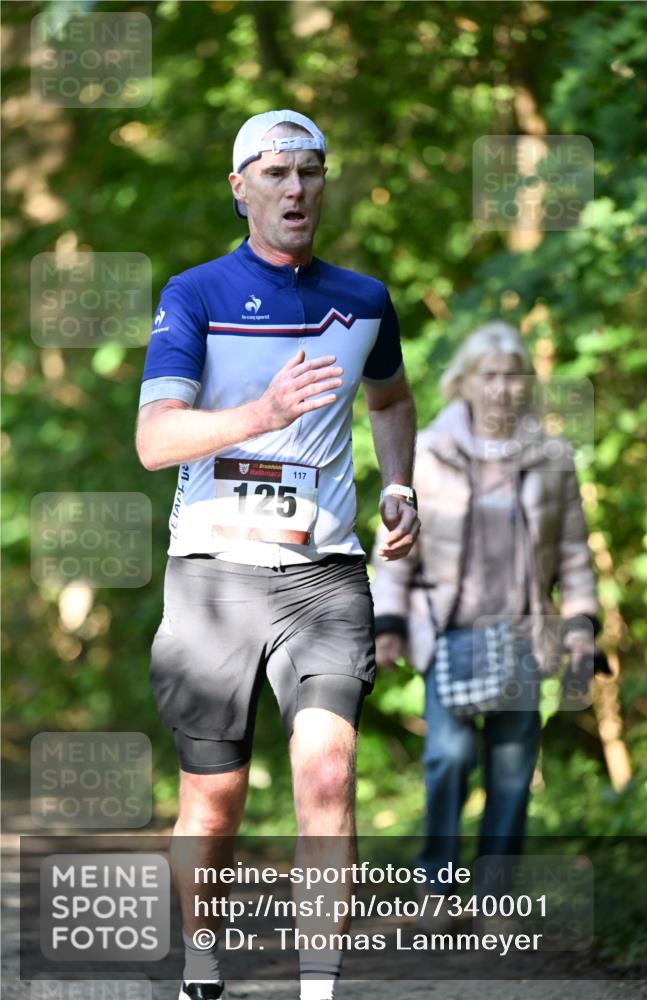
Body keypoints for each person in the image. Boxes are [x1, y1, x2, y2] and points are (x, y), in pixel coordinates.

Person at [135, 110, 419, 1000]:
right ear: (240, 188)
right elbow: (154, 440)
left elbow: (389, 400)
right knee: (213, 801)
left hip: (324, 577)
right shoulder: (195, 295)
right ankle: (203, 959)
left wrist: (399, 487)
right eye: (276, 173)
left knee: (327, 772)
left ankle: (318, 988)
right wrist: (262, 413)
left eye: (310, 172)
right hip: (213, 578)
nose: (296, 189)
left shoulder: (364, 299)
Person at [371, 321, 600, 908]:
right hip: (446, 632)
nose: (502, 388)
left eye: (514, 375)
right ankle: (436, 884)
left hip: (524, 635)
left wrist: (581, 627)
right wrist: (388, 624)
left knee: (512, 770)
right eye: (489, 375)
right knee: (448, 758)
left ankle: (496, 894)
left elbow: (574, 553)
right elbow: (396, 547)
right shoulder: (428, 452)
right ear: (466, 382)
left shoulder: (553, 456)